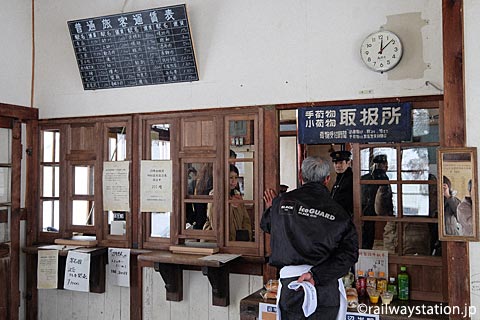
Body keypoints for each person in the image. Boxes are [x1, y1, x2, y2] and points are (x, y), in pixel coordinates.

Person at [261, 156, 358, 320]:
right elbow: (350, 254)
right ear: (327, 179)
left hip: (292, 288)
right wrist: (316, 276)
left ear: (301, 176)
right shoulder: (339, 213)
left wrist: (273, 209)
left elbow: (267, 225)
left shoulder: (281, 203)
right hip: (325, 288)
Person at [360, 154, 393, 249]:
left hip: (366, 209)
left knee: (367, 234)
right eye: (383, 164)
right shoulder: (383, 177)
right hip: (376, 209)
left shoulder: (365, 177)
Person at [228, 164, 252, 241]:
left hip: (238, 240)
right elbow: (216, 223)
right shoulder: (215, 195)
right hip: (221, 241)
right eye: (230, 177)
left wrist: (247, 238)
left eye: (236, 177)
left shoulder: (237, 195)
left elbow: (246, 220)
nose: (234, 181)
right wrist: (231, 206)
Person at [330, 150, 353, 216]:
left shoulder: (350, 179)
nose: (338, 166)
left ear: (348, 163)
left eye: (341, 162)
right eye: (335, 163)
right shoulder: (340, 178)